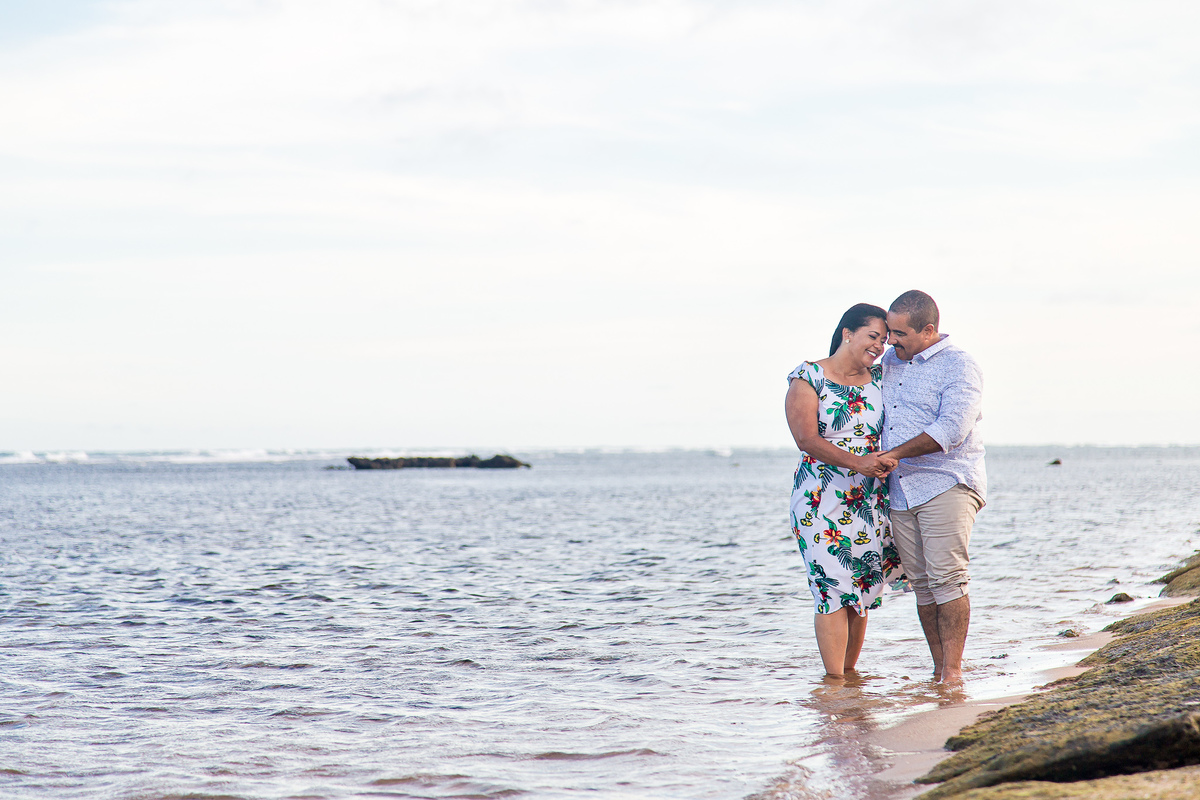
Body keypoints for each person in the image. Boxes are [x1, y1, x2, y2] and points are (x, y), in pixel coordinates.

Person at [784, 303, 904, 680]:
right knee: (831, 585)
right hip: (820, 497)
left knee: (861, 587)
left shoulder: (882, 378)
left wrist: (891, 459)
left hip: (869, 498)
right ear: (847, 332)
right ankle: (833, 686)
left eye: (885, 340)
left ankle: (850, 681)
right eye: (873, 336)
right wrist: (858, 463)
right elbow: (806, 439)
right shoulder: (809, 377)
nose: (880, 346)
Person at [875, 290, 986, 684]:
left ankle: (953, 673)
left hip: (947, 481)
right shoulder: (890, 361)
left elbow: (951, 429)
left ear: (929, 330)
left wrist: (893, 454)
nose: (891, 341)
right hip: (901, 488)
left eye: (899, 333)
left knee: (947, 578)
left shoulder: (960, 366)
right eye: (888, 332)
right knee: (921, 585)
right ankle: (939, 670)